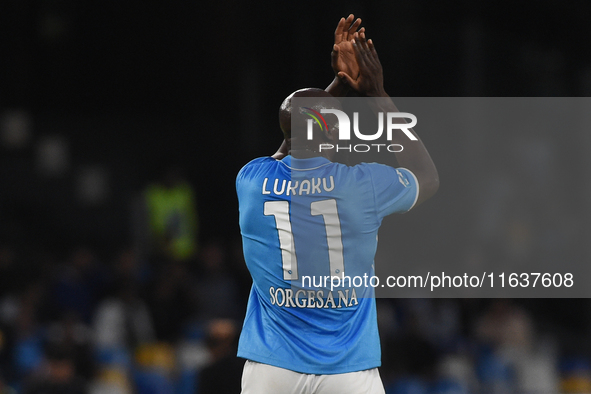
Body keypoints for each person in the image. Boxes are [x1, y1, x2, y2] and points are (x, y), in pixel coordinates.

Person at [235, 15, 439, 394]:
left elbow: (294, 138)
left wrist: (339, 87)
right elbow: (426, 178)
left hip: (271, 369)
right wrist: (376, 91)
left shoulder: (252, 180)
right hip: (347, 371)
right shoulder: (363, 185)